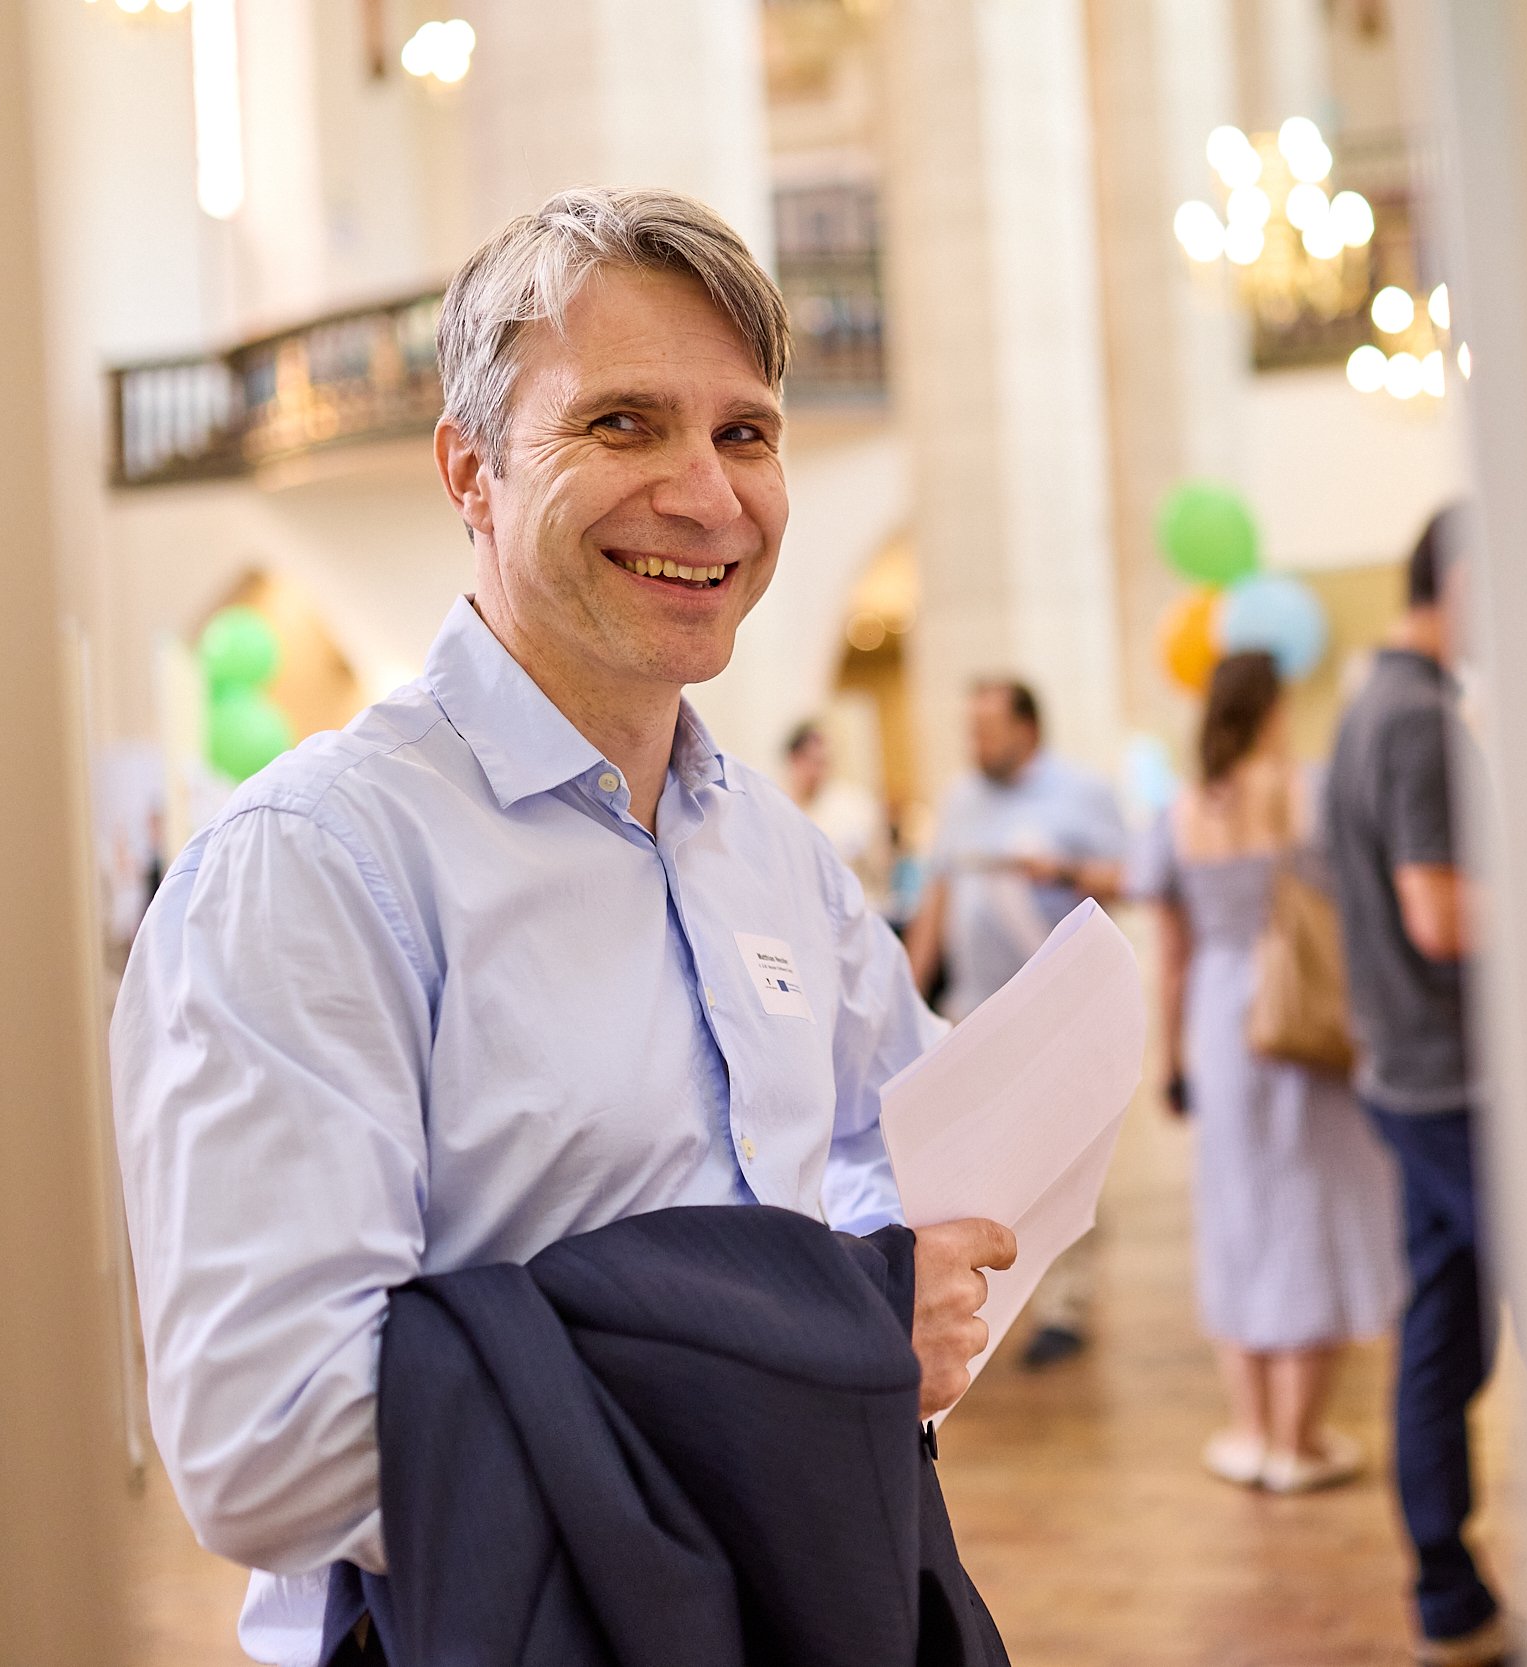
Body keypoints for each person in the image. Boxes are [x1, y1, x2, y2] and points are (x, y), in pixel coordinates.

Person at [110, 187, 1017, 1667]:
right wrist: (823, 1350)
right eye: (622, 424)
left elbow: (911, 1155)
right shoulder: (315, 866)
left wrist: (886, 1299)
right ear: (470, 471)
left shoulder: (777, 854)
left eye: (746, 431)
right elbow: (266, 1440)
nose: (708, 496)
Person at [1130, 651, 1405, 1493]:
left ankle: (1250, 1432)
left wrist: (1172, 1062)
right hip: (1303, 1011)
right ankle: (1299, 1439)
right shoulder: (1308, 792)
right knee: (1313, 1213)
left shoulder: (1178, 814)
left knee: (1235, 1213)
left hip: (1218, 1019)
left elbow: (1170, 959)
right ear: (1274, 710)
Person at [1323, 505, 1509, 1666]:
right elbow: (1438, 913)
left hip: (1413, 1070)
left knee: (1443, 1333)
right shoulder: (1417, 718)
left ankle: (1452, 1598)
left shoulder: (1370, 706)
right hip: (1454, 1078)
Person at [906, 677, 1124, 1367]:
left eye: (988, 729)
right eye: (970, 729)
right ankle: (986, 1301)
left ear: (1027, 730)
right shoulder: (961, 799)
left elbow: (1124, 877)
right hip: (975, 1007)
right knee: (981, 1162)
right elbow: (938, 898)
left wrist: (1063, 870)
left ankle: (1065, 1303)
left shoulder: (1079, 791)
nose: (975, 743)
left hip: (1056, 1012)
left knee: (1060, 1155)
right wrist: (906, 991)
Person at [781, 718, 891, 909]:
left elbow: (880, 868)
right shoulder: (780, 808)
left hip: (852, 909)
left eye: (823, 762)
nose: (817, 771)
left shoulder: (855, 806)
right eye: (812, 761)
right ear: (794, 760)